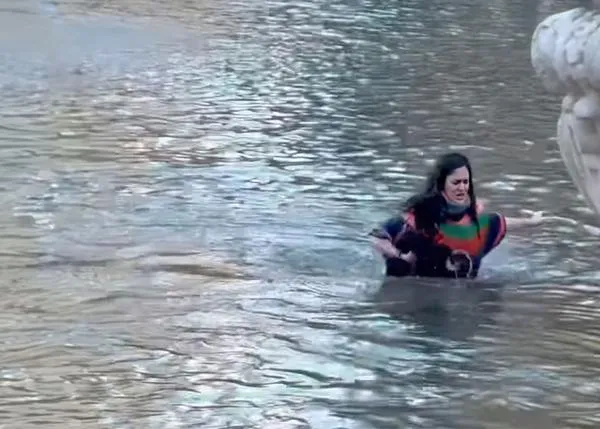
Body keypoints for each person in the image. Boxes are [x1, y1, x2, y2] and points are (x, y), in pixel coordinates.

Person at [370, 152, 544, 278]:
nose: (462, 188)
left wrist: (531, 222)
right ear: (441, 184)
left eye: (465, 182)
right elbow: (377, 237)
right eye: (456, 182)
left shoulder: (475, 222)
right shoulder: (418, 217)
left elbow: (498, 222)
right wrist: (401, 257)